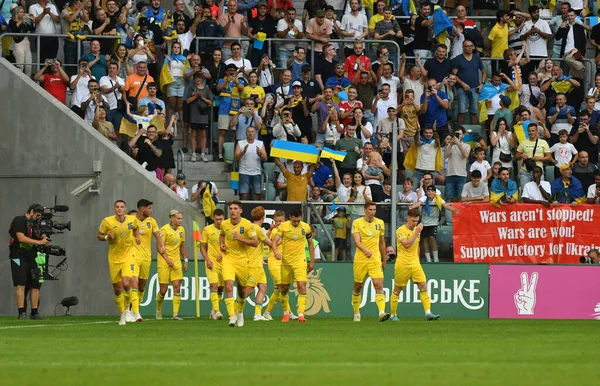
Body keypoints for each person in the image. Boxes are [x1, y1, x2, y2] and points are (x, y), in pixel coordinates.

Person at [391, 208, 440, 321]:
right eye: (413, 221)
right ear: (408, 218)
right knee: (398, 289)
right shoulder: (400, 231)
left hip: (415, 264)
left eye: (417, 221)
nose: (415, 223)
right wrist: (417, 232)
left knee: (423, 285)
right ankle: (393, 314)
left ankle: (428, 313)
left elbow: (416, 246)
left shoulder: (416, 229)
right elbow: (407, 244)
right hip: (403, 264)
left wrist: (417, 259)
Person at [97, 200, 141, 325]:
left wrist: (136, 237)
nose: (119, 209)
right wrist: (106, 237)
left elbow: (136, 227)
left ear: (125, 209)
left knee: (127, 283)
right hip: (114, 258)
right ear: (114, 209)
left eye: (122, 207)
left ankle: (128, 309)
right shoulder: (107, 221)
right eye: (117, 207)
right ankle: (122, 314)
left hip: (129, 255)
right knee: (117, 289)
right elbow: (99, 235)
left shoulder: (132, 220)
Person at [220, 201, 258, 327]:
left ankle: (239, 312)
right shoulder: (224, 224)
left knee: (242, 291)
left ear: (240, 210)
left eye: (235, 208)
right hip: (228, 259)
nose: (232, 211)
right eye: (230, 208)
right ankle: (231, 317)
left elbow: (255, 242)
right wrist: (222, 244)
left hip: (243, 260)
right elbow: (222, 235)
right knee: (228, 285)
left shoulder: (247, 224)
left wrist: (239, 238)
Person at [9, 204, 50, 320]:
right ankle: (22, 312)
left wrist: (43, 237)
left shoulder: (35, 224)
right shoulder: (19, 221)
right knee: (21, 284)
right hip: (18, 255)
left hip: (32, 256)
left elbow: (39, 234)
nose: (38, 217)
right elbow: (21, 238)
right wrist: (40, 242)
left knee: (35, 284)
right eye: (37, 215)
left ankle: (34, 312)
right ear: (32, 211)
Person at [351, 201, 390, 322]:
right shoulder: (357, 223)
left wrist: (384, 260)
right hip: (361, 260)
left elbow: (382, 242)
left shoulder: (380, 223)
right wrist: (365, 250)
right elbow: (357, 241)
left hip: (375, 260)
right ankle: (356, 313)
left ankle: (381, 313)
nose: (372, 212)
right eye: (370, 210)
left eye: (374, 210)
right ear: (365, 210)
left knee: (378, 284)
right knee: (358, 286)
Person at [273, 208, 314, 323]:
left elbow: (310, 244)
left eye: (298, 221)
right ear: (290, 217)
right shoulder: (283, 227)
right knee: (284, 288)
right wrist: (275, 250)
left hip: (300, 261)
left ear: (301, 218)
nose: (296, 223)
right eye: (294, 221)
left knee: (302, 286)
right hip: (286, 262)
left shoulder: (305, 227)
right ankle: (286, 313)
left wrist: (312, 261)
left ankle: (301, 314)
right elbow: (275, 241)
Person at [131, 199, 165, 320]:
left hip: (146, 258)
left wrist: (162, 246)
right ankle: (135, 313)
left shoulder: (152, 222)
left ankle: (134, 308)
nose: (151, 211)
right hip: (133, 257)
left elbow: (158, 236)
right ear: (142, 209)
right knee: (133, 283)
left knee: (141, 287)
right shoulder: (132, 221)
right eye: (149, 208)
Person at [410, 185, 460, 263]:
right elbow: (418, 203)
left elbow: (445, 205)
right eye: (429, 191)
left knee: (432, 238)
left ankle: (436, 259)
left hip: (433, 222)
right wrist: (412, 206)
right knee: (425, 240)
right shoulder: (424, 198)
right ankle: (428, 259)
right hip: (424, 222)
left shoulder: (438, 199)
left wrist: (453, 209)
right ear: (427, 192)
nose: (430, 192)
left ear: (434, 192)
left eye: (432, 191)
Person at [262, 210, 297, 321]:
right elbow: (266, 241)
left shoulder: (288, 229)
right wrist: (270, 230)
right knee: (280, 286)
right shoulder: (274, 231)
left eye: (280, 221)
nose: (278, 223)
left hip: (284, 262)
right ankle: (287, 313)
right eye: (276, 221)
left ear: (285, 220)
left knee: (280, 288)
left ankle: (268, 312)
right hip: (274, 261)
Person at [155, 210, 188, 321]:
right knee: (163, 290)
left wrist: (186, 260)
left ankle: (175, 314)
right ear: (172, 219)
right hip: (164, 262)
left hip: (176, 262)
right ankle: (158, 309)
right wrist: (167, 259)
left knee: (177, 286)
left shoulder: (182, 230)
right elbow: (159, 247)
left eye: (181, 218)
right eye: (178, 218)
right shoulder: (164, 230)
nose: (180, 220)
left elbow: (182, 246)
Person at [249, 206, 280, 321]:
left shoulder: (254, 228)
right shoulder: (257, 229)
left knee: (263, 288)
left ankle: (257, 314)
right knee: (249, 290)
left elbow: (263, 240)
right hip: (253, 264)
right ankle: (236, 309)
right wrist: (283, 240)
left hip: (258, 263)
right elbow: (270, 243)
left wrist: (270, 230)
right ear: (263, 217)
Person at [200, 208, 225, 320]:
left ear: (224, 218)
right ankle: (217, 311)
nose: (219, 222)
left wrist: (223, 254)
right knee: (214, 286)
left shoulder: (228, 229)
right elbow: (202, 247)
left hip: (225, 263)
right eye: (217, 219)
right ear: (213, 219)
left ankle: (213, 311)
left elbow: (233, 245)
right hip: (212, 263)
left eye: (221, 219)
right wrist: (207, 260)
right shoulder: (207, 230)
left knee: (220, 288)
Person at [185, 72, 213, 162]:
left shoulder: (206, 89)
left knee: (203, 134)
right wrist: (196, 96)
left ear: (202, 79)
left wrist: (202, 98)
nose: (198, 79)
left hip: (203, 115)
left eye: (199, 78)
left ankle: (202, 153)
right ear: (194, 79)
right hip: (194, 115)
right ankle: (193, 153)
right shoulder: (191, 88)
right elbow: (188, 101)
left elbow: (211, 102)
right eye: (196, 78)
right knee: (193, 134)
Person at [234, 126, 267, 200]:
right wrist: (243, 152)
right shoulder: (240, 143)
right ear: (246, 133)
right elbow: (236, 158)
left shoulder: (260, 143)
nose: (250, 133)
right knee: (244, 195)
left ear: (255, 133)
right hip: (244, 172)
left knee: (257, 195)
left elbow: (265, 158)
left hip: (257, 173)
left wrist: (260, 154)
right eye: (248, 131)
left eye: (252, 131)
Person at [515, 122, 552, 188]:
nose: (531, 133)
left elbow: (549, 157)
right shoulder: (523, 142)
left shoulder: (543, 142)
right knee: (525, 191)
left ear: (537, 131)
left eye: (533, 131)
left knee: (540, 191)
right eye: (529, 131)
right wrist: (521, 156)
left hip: (538, 171)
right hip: (525, 172)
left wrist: (539, 158)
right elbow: (516, 156)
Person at [444, 128, 471, 202]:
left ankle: (460, 213)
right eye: (456, 134)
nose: (457, 136)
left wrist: (458, 144)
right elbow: (445, 156)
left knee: (460, 198)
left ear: (463, 135)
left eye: (459, 134)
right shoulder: (449, 145)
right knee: (448, 197)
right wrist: (451, 144)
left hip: (461, 175)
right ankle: (448, 213)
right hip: (450, 174)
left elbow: (466, 155)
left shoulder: (467, 145)